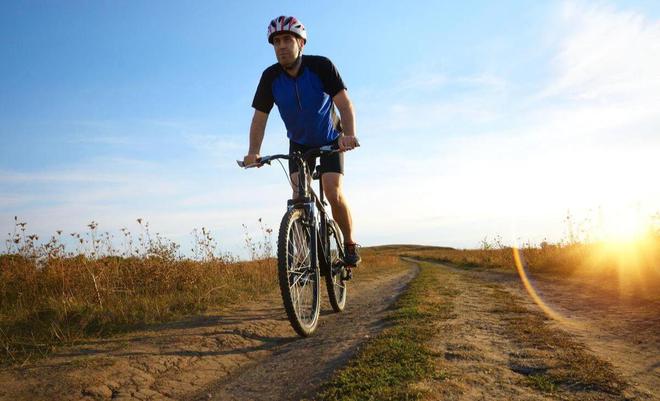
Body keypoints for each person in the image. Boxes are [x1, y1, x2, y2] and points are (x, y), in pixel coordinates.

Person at [243, 15, 361, 266]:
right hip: (298, 143)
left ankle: (349, 243)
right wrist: (254, 152)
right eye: (276, 42)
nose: (282, 46)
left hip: (331, 139)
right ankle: (302, 256)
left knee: (332, 191)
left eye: (287, 39)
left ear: (301, 43)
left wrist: (348, 135)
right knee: (298, 196)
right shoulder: (270, 77)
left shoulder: (321, 66)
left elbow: (344, 104)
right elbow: (259, 119)